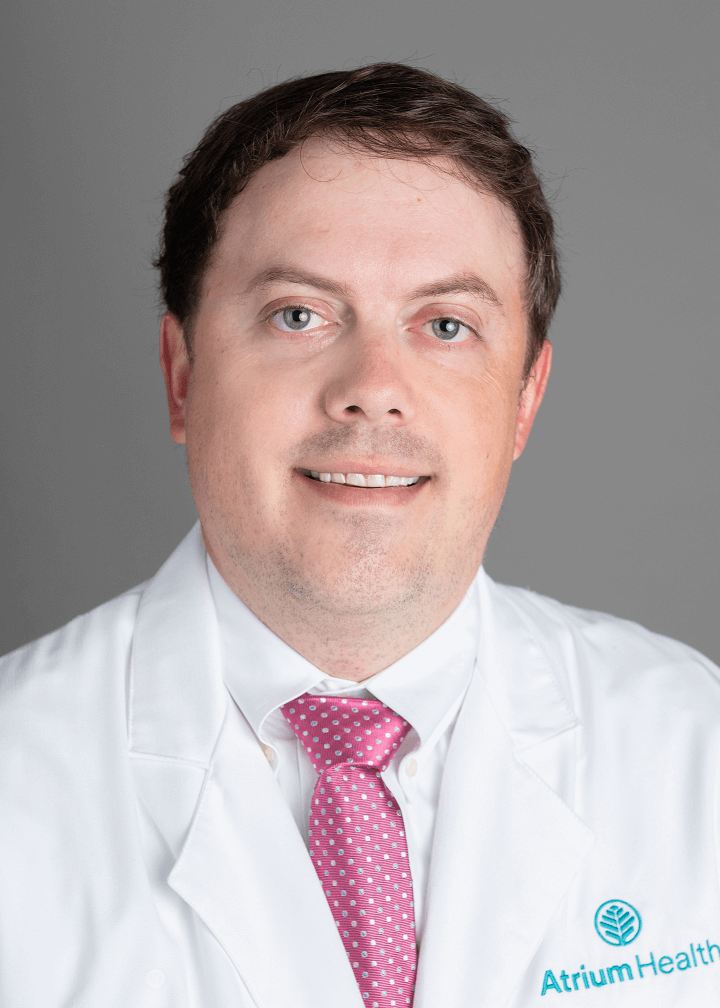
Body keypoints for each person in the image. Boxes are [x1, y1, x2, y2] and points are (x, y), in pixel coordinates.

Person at [0, 62, 718, 1008]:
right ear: (182, 375)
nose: (373, 388)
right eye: (298, 314)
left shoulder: (696, 750)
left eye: (446, 325)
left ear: (525, 401)